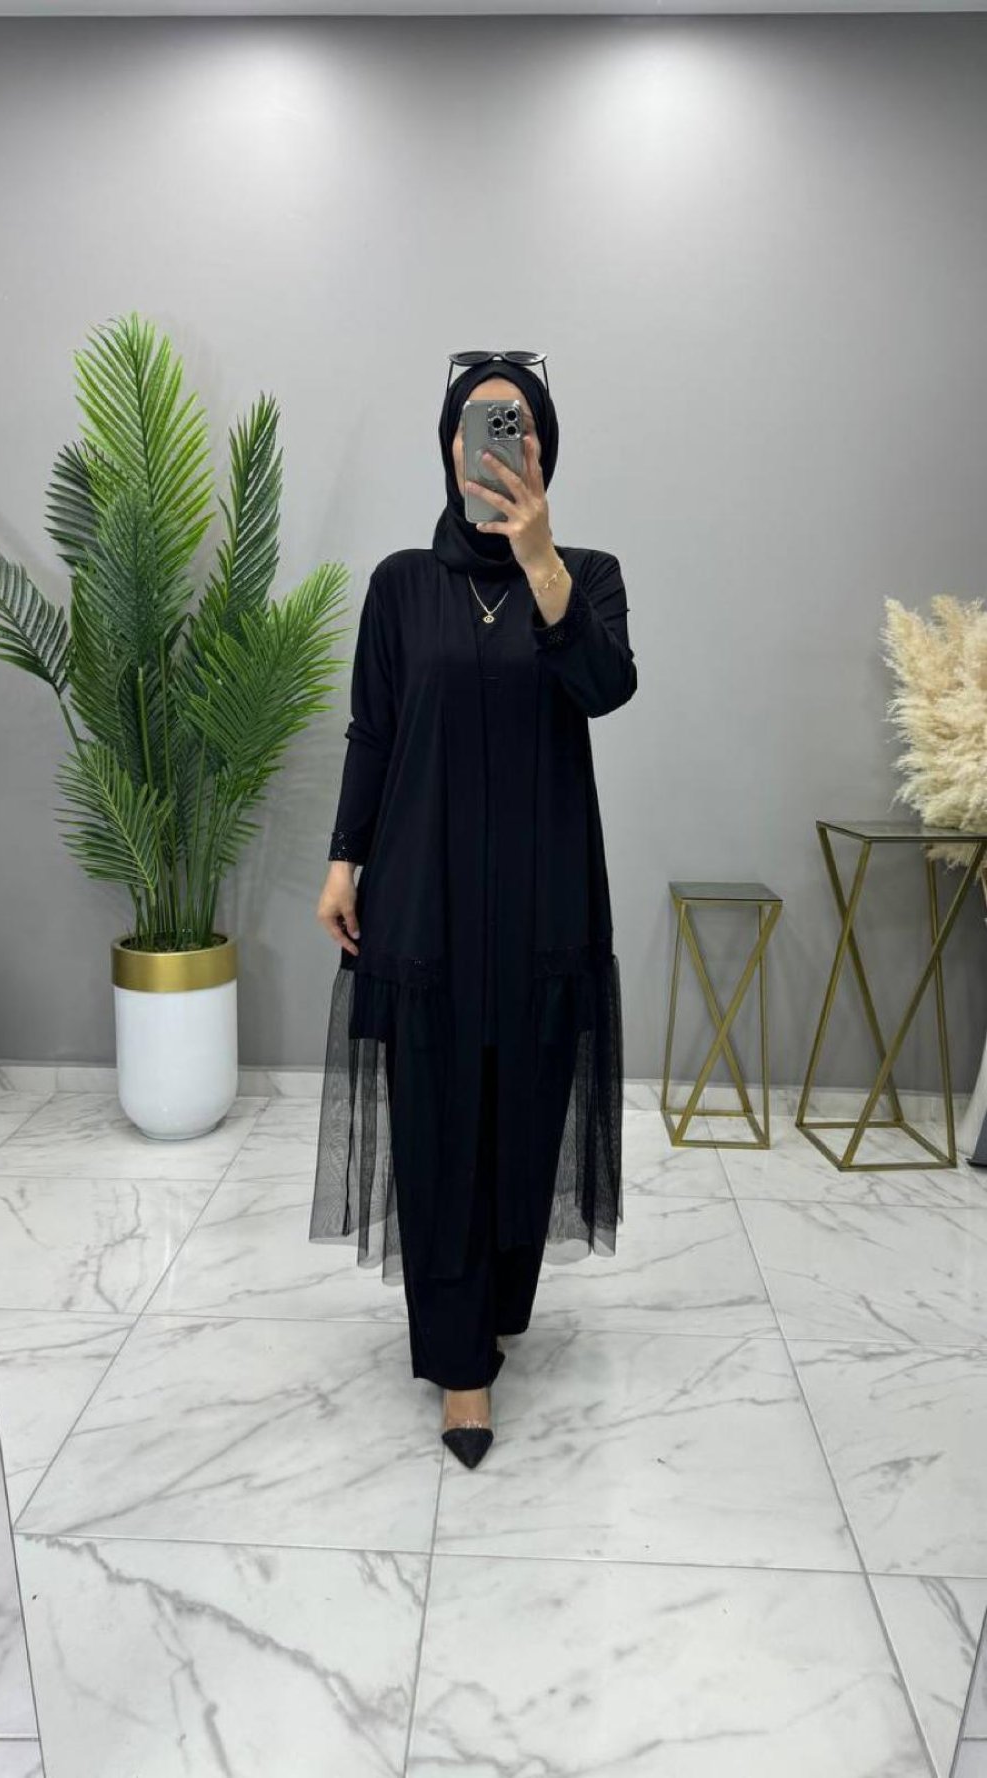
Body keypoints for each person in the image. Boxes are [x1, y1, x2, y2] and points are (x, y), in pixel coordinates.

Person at [311, 350, 637, 1469]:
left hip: (545, 888)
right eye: (477, 426)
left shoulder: (587, 574)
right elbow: (373, 728)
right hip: (425, 888)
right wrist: (344, 860)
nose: (497, 444)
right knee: (437, 1112)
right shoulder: (402, 584)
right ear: (449, 447)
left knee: (527, 1107)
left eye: (517, 427)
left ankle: (494, 1304)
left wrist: (539, 556)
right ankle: (459, 1366)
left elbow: (603, 686)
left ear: (543, 449)